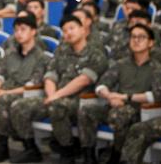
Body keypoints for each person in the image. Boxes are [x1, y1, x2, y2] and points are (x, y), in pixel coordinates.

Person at [9, 15, 108, 164]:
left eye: (72, 28)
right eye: (64, 30)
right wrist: (52, 95)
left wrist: (57, 96)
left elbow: (83, 80)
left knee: (57, 106)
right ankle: (31, 149)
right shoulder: (61, 52)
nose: (68, 32)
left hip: (82, 102)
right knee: (19, 106)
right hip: (56, 97)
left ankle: (67, 152)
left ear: (82, 30)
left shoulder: (96, 54)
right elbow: (50, 76)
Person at [78, 24, 161, 164]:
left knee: (121, 113)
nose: (136, 40)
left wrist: (125, 97)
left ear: (151, 42)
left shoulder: (157, 68)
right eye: (133, 37)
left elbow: (156, 96)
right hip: (115, 106)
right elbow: (101, 85)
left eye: (141, 37)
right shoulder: (121, 64)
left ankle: (116, 154)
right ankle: (89, 156)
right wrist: (109, 96)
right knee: (86, 110)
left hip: (140, 113)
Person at [0, 15, 50, 163]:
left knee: (5, 100)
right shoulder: (10, 54)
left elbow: (32, 85)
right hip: (6, 90)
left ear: (33, 31)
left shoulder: (42, 58)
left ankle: (30, 148)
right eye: (16, 30)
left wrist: (4, 92)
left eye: (23, 29)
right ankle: (2, 146)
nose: (19, 33)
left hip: (30, 94)